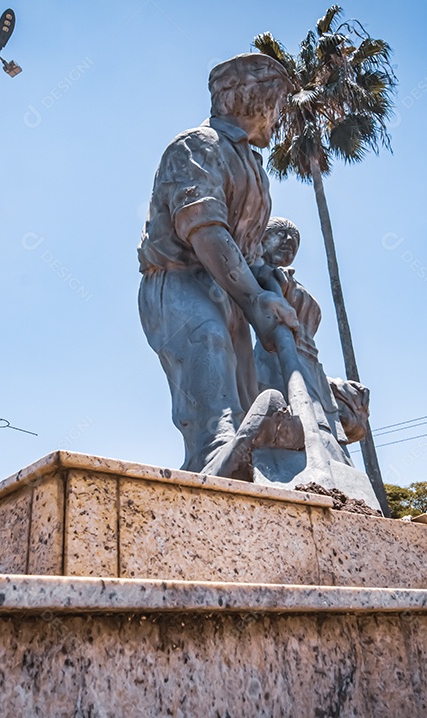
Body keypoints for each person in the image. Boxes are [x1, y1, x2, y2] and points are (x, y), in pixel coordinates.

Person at [137, 53, 298, 477]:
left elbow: (249, 250)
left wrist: (267, 286)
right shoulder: (196, 146)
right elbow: (205, 229)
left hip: (230, 288)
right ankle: (212, 449)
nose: (279, 116)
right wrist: (254, 299)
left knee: (246, 385)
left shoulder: (254, 167)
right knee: (206, 342)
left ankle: (252, 461)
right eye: (278, 103)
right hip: (179, 280)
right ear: (252, 97)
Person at [252, 218, 370, 450]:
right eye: (281, 234)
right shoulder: (260, 274)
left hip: (311, 363)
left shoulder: (291, 278)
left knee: (327, 434)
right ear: (262, 239)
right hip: (278, 357)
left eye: (295, 239)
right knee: (298, 427)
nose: (289, 241)